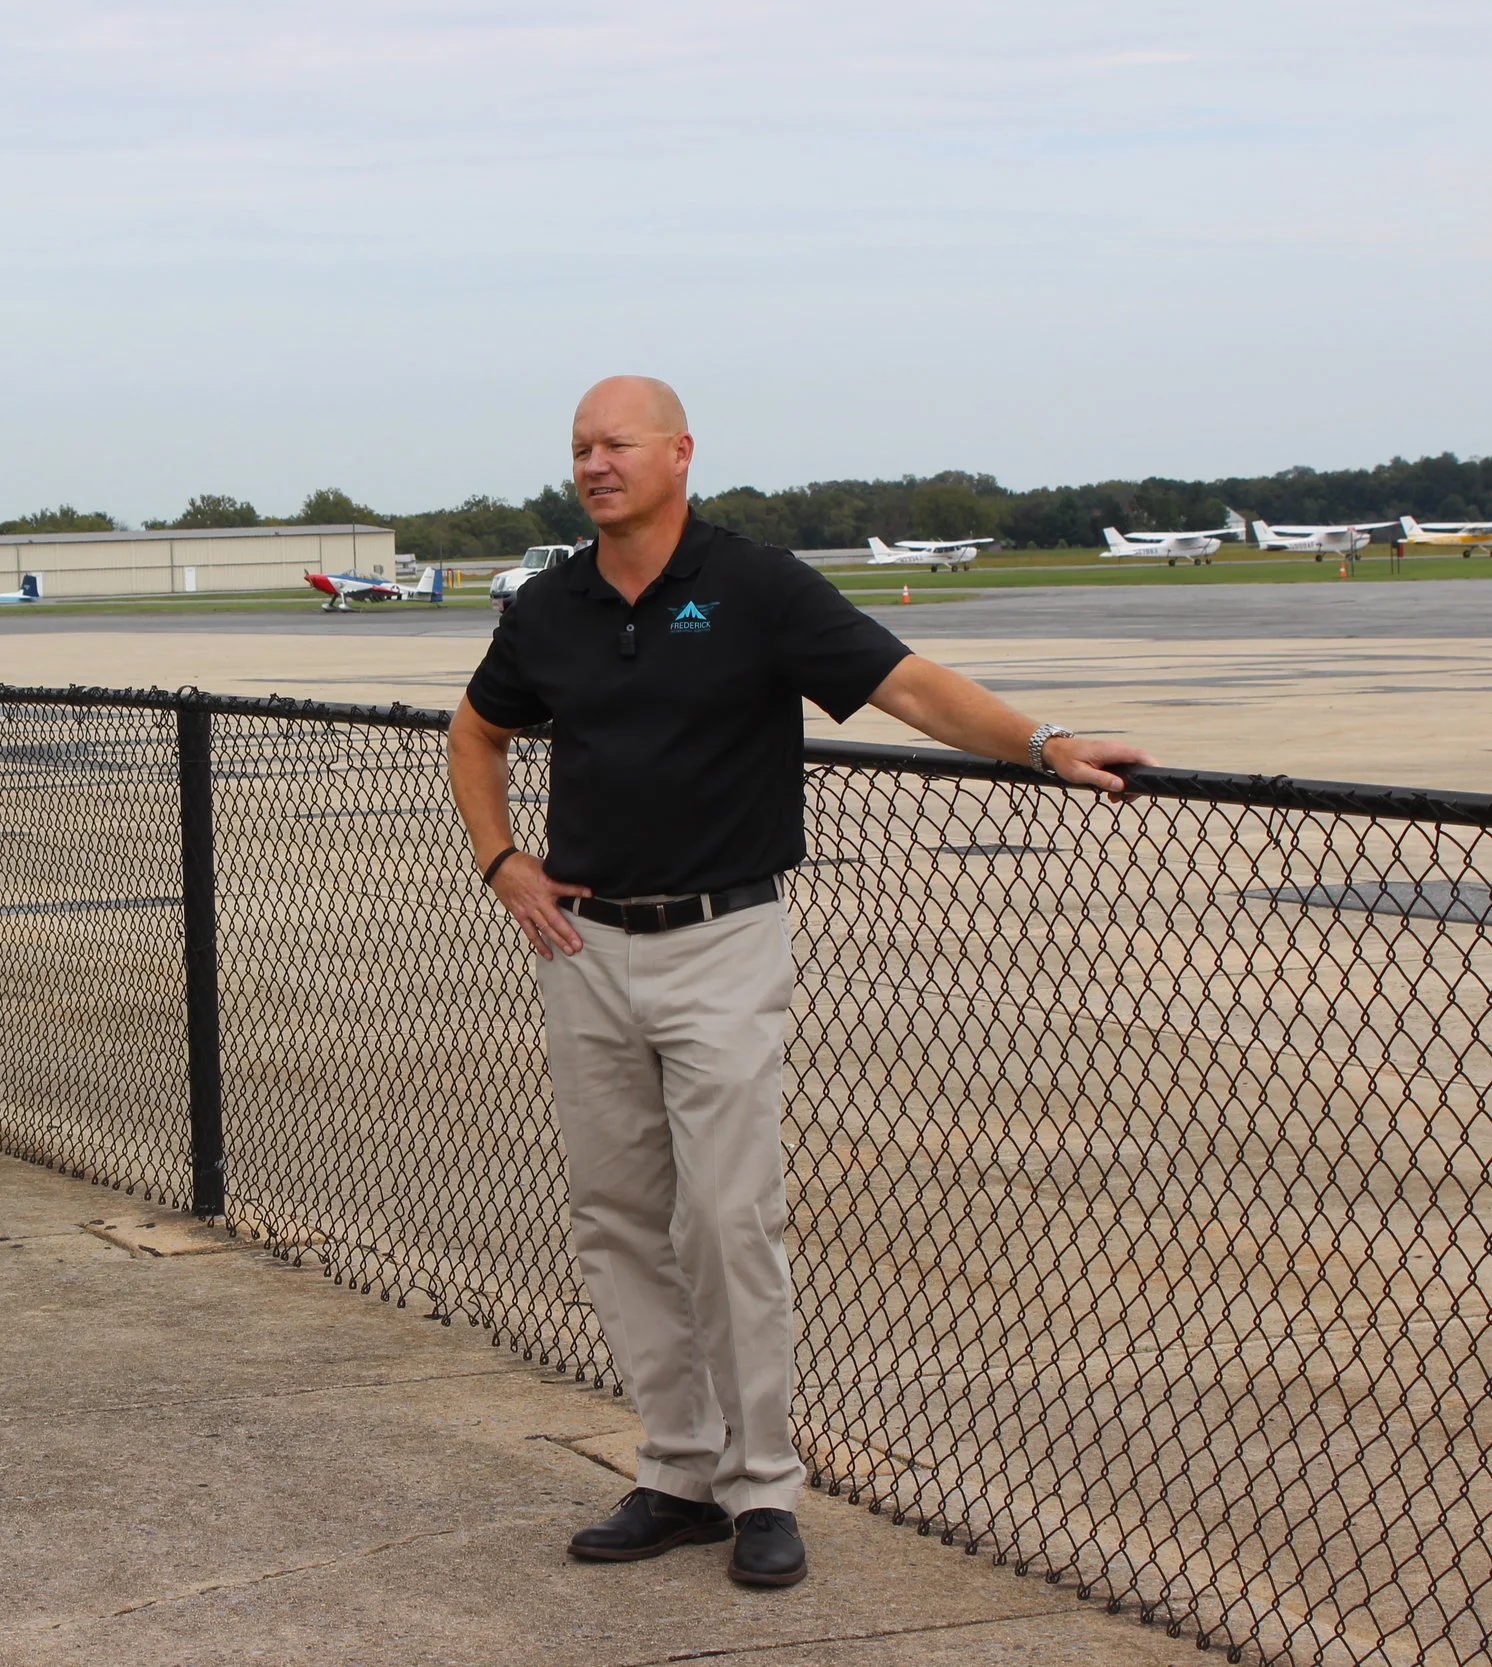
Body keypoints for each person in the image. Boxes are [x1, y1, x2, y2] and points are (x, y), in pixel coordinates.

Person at [447, 376, 1152, 1589]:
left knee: (728, 1220)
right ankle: (675, 1471)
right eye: (579, 446)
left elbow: (908, 684)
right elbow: (475, 732)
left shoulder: (757, 586)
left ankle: (762, 1483)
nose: (594, 463)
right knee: (615, 1217)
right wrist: (502, 860)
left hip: (721, 940)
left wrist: (1041, 742)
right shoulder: (550, 604)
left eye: (616, 443)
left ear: (679, 453)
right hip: (583, 948)